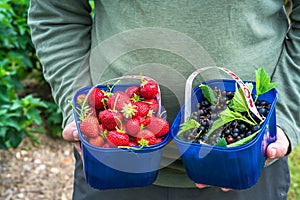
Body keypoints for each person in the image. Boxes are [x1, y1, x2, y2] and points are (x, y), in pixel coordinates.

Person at [28, 0, 299, 199]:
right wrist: (83, 109)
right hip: (113, 162)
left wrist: (285, 115)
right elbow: (55, 12)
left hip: (247, 162)